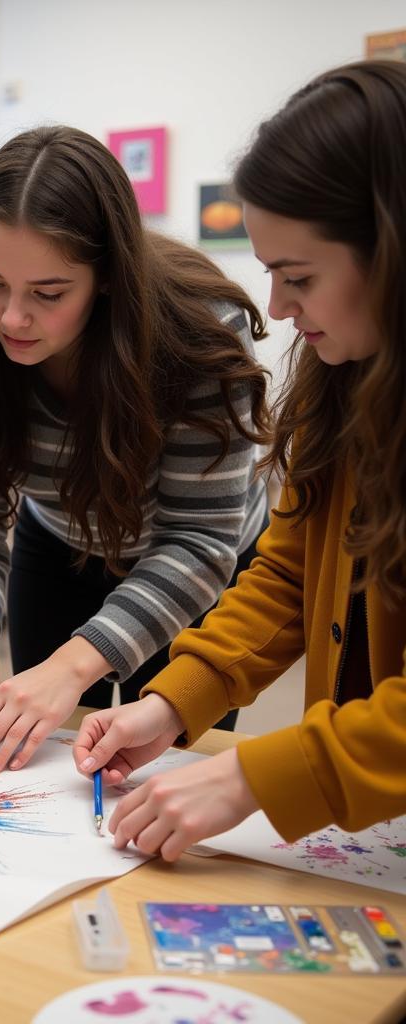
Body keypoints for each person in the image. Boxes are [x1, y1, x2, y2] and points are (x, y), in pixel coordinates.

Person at [73, 61, 406, 861]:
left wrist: (252, 778)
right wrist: (171, 703)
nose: (283, 308)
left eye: (299, 277)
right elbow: (288, 577)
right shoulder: (349, 381)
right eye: (272, 276)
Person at [0, 125, 271, 775]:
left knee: (154, 769)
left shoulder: (202, 335)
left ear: (106, 277)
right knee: (39, 752)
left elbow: (197, 541)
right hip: (60, 544)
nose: (12, 318)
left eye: (48, 294)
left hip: (196, 564)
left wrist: (73, 666)